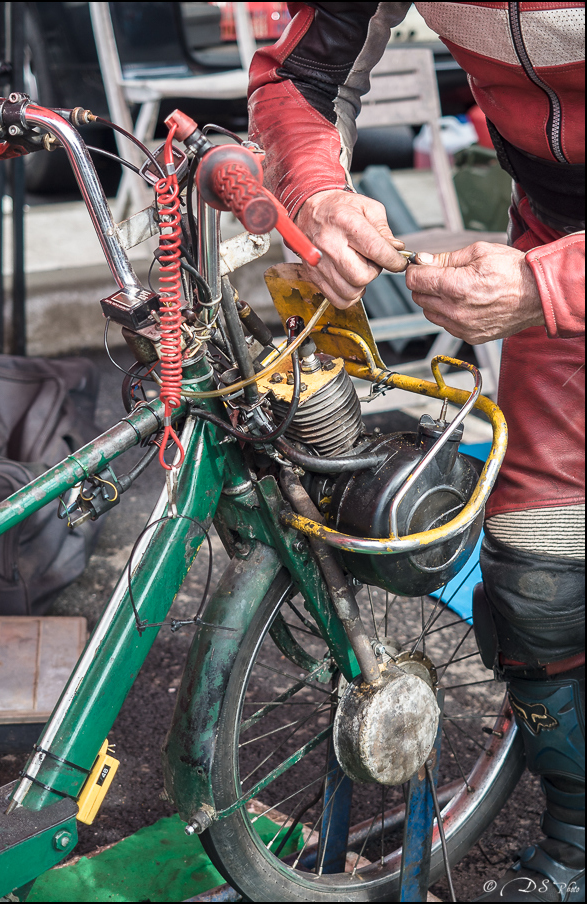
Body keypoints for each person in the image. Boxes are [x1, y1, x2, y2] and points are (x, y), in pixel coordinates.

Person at [247, 3, 585, 900]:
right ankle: (579, 842)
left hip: (554, 276)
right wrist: (317, 192)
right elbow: (299, 80)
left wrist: (547, 284)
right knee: (539, 592)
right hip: (555, 248)